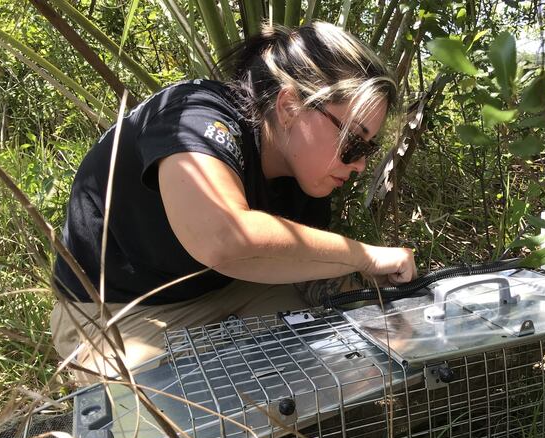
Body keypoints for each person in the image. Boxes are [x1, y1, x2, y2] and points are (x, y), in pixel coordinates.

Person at [50, 22, 417, 382]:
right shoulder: (193, 115)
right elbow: (223, 238)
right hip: (115, 313)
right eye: (353, 141)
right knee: (193, 418)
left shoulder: (305, 176)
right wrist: (365, 256)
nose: (359, 164)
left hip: (227, 288)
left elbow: (298, 265)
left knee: (345, 362)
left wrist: (366, 294)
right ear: (289, 106)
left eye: (368, 149)